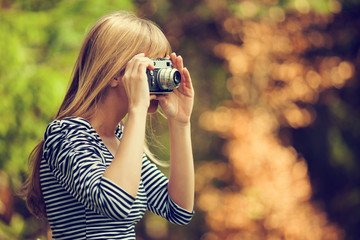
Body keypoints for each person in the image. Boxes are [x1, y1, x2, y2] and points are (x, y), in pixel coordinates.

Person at [21, 11, 195, 239]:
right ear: (115, 74)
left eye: (164, 65)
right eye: (150, 67)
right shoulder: (65, 135)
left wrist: (181, 122)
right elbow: (116, 201)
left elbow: (178, 209)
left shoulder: (120, 139)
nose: (162, 76)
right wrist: (137, 108)